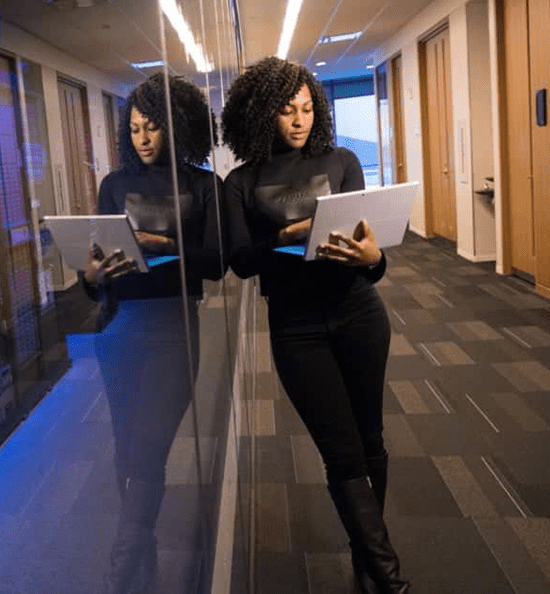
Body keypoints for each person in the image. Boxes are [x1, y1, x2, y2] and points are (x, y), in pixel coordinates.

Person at [220, 56, 409, 594]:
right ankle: (390, 577)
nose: (299, 120)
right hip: (296, 326)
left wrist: (372, 256)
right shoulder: (242, 181)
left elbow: (370, 262)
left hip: (358, 314)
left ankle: (367, 554)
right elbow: (240, 260)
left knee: (370, 436)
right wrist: (289, 235)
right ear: (261, 114)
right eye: (286, 110)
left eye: (307, 108)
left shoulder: (343, 160)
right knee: (340, 450)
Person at [82, 72, 224, 594]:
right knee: (127, 450)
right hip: (120, 327)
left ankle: (120, 568)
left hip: (173, 326)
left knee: (148, 448)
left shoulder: (203, 185)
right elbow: (95, 271)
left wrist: (156, 242)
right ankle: (139, 546)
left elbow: (214, 264)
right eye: (135, 128)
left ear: (177, 126)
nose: (142, 138)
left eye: (153, 127)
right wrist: (92, 277)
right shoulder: (113, 185)